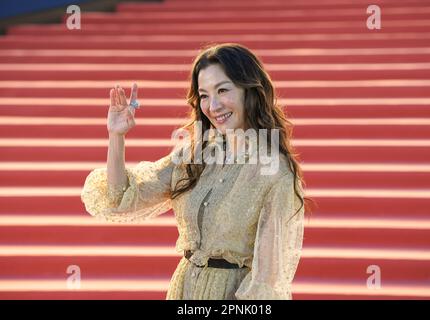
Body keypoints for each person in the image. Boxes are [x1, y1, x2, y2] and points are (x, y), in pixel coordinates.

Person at [81, 43, 311, 300]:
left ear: (250, 91)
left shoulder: (275, 172)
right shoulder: (193, 156)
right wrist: (116, 137)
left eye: (222, 90)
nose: (213, 106)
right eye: (203, 95)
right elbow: (119, 199)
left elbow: (268, 281)